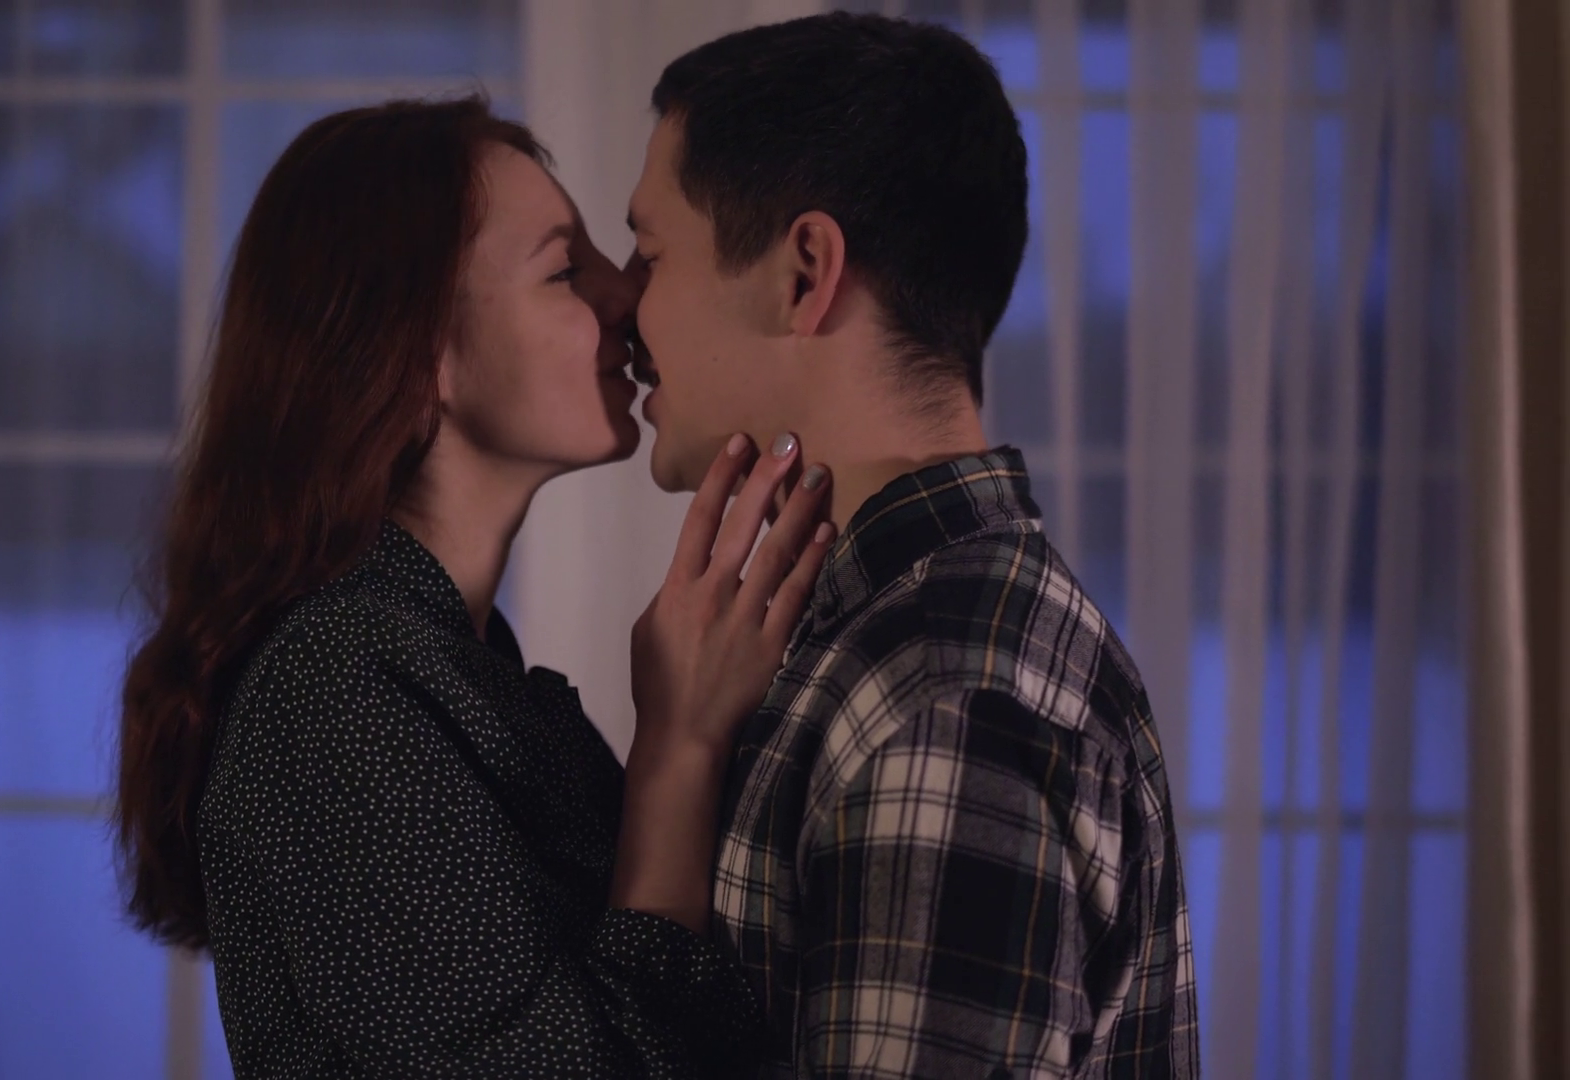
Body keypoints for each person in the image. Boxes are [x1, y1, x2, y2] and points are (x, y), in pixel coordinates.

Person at [113, 97, 834, 1078]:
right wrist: (678, 745)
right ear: (420, 358)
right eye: (564, 270)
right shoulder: (335, 693)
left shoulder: (443, 666)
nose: (624, 296)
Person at [622, 14, 1201, 1077]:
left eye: (650, 255)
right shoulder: (880, 635)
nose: (621, 303)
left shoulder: (947, 691)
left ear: (804, 272)